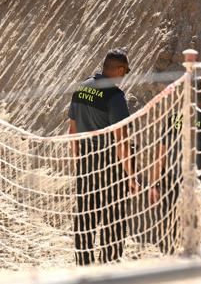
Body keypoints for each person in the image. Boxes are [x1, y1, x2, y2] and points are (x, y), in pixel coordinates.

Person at [68, 49, 139, 265]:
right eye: (124, 72)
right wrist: (131, 176)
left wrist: (78, 162)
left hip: (86, 160)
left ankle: (84, 266)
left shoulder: (81, 88)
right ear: (117, 70)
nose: (123, 76)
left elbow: (73, 131)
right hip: (110, 164)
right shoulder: (115, 96)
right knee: (114, 219)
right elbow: (122, 143)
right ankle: (109, 268)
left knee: (85, 217)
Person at [148, 76, 201, 252]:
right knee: (200, 238)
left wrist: (154, 185)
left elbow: (159, 157)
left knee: (173, 237)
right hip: (199, 189)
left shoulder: (174, 118)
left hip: (172, 186)